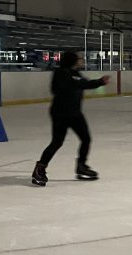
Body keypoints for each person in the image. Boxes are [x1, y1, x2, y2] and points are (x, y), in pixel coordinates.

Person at [31, 51, 110, 187]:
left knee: (86, 138)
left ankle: (81, 166)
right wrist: (95, 82)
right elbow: (70, 86)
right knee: (57, 142)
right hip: (60, 113)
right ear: (72, 60)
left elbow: (83, 83)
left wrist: (99, 82)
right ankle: (40, 168)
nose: (82, 60)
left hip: (75, 113)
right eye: (79, 58)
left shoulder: (75, 74)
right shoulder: (60, 73)